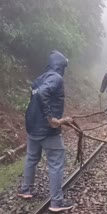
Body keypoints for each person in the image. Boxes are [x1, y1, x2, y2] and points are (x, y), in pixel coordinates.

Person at [18, 51, 74, 212]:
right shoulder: (56, 78)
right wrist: (52, 119)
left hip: (32, 126)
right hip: (48, 129)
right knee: (56, 163)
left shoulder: (39, 78)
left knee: (31, 158)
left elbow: (37, 97)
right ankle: (57, 202)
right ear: (60, 65)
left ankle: (25, 190)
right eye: (64, 66)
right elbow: (43, 94)